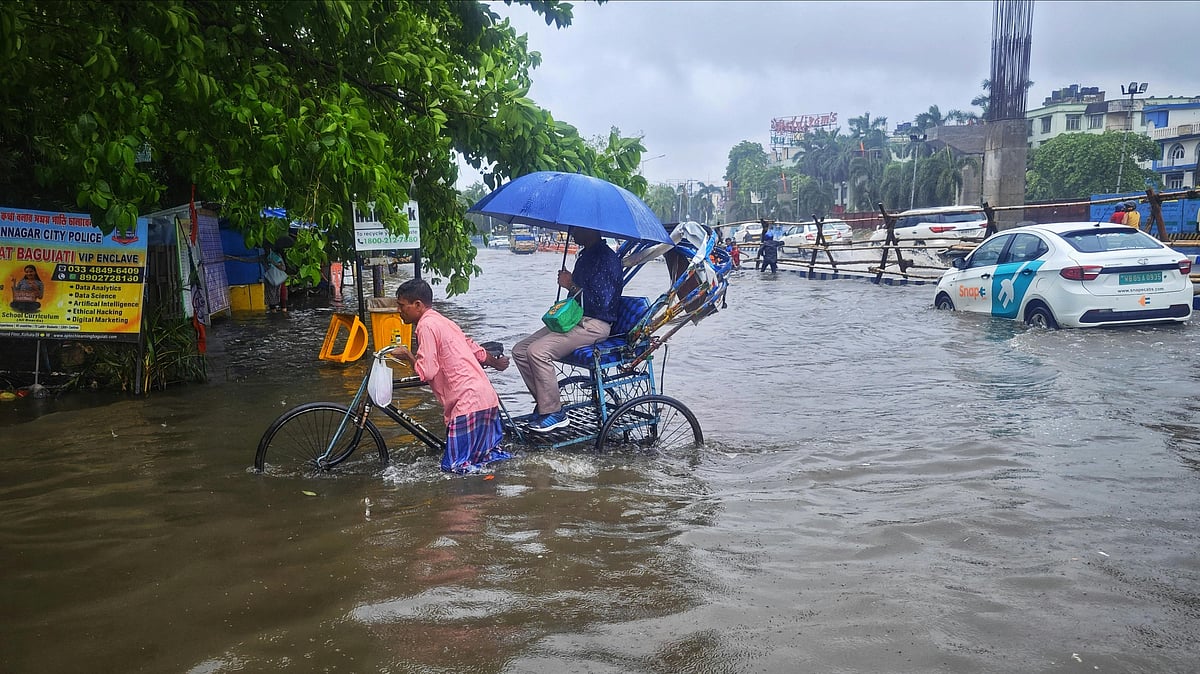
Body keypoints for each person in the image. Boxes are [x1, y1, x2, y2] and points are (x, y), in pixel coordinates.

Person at [389, 278, 512, 473]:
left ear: (418, 305)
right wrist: (495, 363)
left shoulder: (425, 326)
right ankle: (491, 498)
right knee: (487, 462)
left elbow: (426, 371)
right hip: (485, 399)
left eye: (401, 305)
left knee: (454, 471)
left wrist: (407, 355)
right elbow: (472, 346)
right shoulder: (443, 320)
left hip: (467, 404)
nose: (398, 310)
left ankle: (467, 503)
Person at [512, 226, 622, 432]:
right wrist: (569, 286)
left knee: (537, 352)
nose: (573, 234)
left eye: (577, 230)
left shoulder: (607, 259)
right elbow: (578, 296)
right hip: (574, 319)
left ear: (590, 230)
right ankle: (546, 404)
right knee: (520, 350)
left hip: (595, 324)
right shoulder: (585, 255)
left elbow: (601, 303)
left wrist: (570, 284)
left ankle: (555, 413)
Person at [262, 243, 288, 313]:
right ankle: (278, 313)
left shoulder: (274, 256)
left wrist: (273, 263)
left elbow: (283, 267)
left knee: (279, 298)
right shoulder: (265, 257)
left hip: (274, 279)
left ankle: (278, 313)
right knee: (274, 298)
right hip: (273, 279)